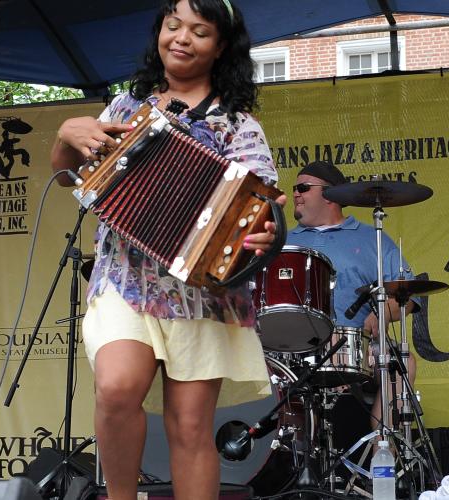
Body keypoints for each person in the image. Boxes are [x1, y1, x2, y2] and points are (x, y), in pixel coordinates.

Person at [49, 1, 281, 498]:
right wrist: (67, 134)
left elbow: (262, 214)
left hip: (200, 294)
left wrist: (264, 235)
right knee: (115, 388)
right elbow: (68, 174)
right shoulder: (124, 109)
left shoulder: (239, 128)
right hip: (125, 278)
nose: (181, 38)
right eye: (173, 26)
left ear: (221, 47)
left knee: (190, 426)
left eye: (199, 31)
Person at [283, 161, 413, 428]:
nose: (295, 193)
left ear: (330, 194)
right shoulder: (283, 242)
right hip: (291, 351)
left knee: (404, 363)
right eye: (295, 188)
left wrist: (382, 315)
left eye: (303, 187)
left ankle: (382, 454)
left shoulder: (371, 238)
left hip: (356, 346)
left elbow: (407, 295)